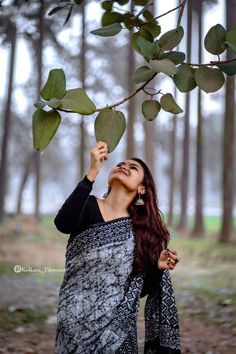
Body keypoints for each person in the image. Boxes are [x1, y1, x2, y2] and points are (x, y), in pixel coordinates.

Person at [54, 141, 181, 354]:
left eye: (133, 168)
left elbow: (136, 289)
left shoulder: (142, 232)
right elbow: (63, 224)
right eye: (121, 163)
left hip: (117, 329)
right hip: (73, 320)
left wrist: (156, 268)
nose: (124, 166)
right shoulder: (88, 206)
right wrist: (92, 172)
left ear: (142, 188)